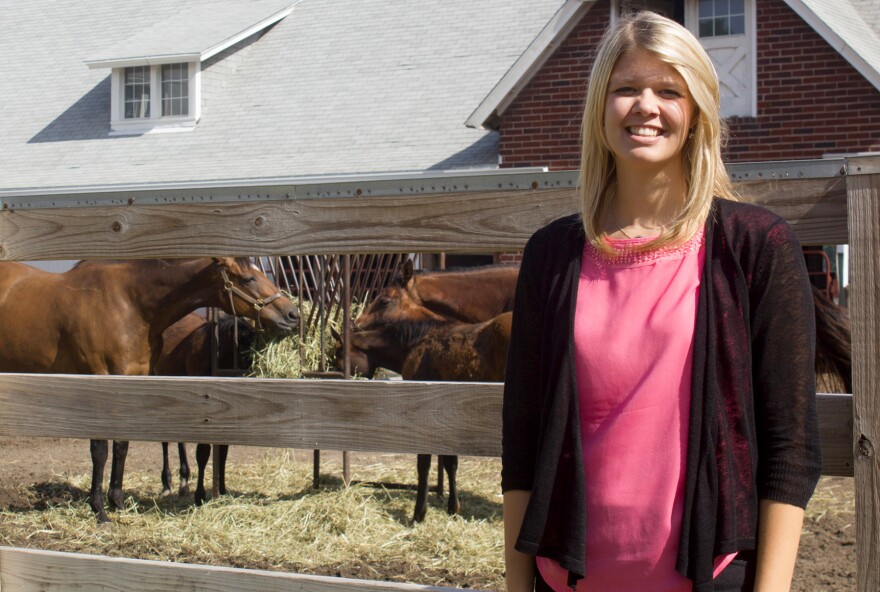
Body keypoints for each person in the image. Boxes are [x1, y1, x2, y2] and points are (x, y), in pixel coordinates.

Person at [502, 11, 821, 592]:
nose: (646, 106)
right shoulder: (551, 257)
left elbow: (790, 450)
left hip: (711, 579)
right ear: (601, 108)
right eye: (626, 88)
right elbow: (521, 444)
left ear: (696, 111)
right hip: (566, 581)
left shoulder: (754, 247)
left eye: (668, 90)